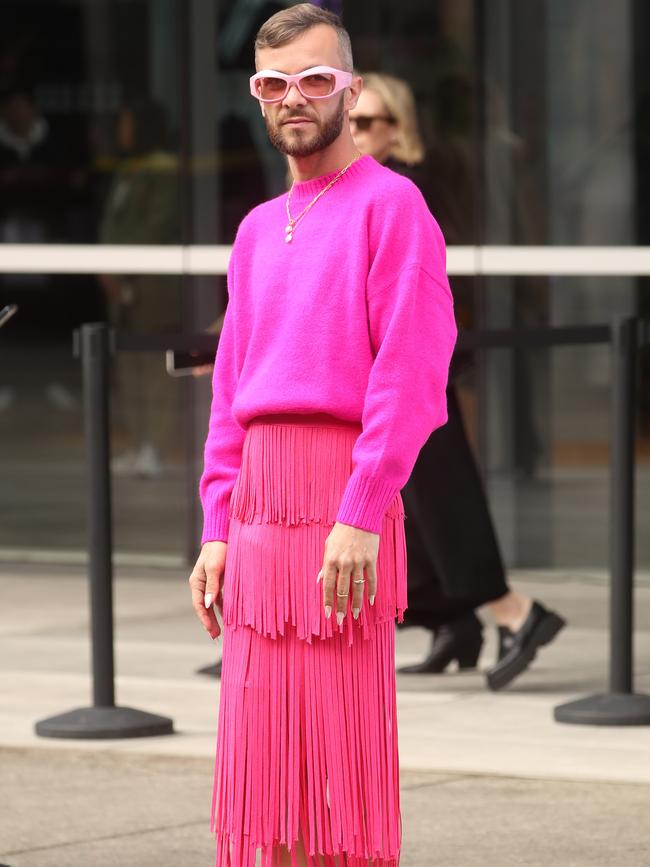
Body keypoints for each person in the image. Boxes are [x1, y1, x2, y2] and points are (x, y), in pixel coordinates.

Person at [187, 6, 456, 867]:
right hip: (259, 510)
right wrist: (216, 526)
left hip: (341, 499)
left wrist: (363, 509)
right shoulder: (258, 228)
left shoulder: (393, 205)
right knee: (266, 764)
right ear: (257, 96)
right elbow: (231, 390)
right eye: (274, 83)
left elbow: (410, 375)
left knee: (338, 764)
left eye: (313, 79)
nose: (292, 98)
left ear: (351, 89)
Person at [350, 72, 566, 691]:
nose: (357, 133)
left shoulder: (408, 189)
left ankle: (513, 612)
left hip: (411, 366)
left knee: (441, 500)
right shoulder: (370, 188)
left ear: (400, 128)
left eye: (369, 122)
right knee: (410, 508)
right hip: (378, 369)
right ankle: (455, 621)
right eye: (353, 120)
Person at [98, 98, 182, 478]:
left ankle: (156, 446)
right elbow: (111, 222)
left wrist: (122, 266)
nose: (122, 131)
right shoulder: (127, 169)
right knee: (127, 369)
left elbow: (156, 226)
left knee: (154, 371)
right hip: (122, 285)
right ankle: (137, 442)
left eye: (128, 123)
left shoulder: (165, 170)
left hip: (152, 285)